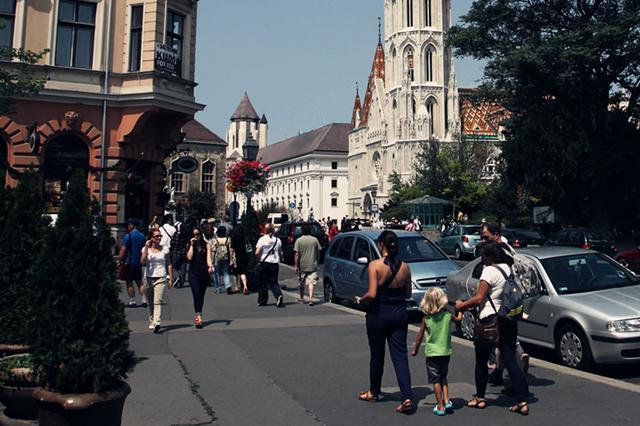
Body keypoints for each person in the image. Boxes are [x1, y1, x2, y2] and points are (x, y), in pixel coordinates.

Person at [454, 241, 530, 415]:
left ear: (488, 256)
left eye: (483, 256)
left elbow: (480, 298)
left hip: (489, 320)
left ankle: (480, 398)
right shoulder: (507, 269)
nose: (481, 260)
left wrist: (461, 305)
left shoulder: (488, 271)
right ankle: (522, 402)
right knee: (510, 361)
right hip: (507, 318)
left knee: (481, 361)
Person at [354, 230, 414, 414]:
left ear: (381, 245)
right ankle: (407, 396)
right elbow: (408, 293)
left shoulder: (375, 265)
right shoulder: (405, 267)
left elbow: (372, 294)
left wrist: (360, 299)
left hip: (378, 314)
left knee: (377, 356)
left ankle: (374, 392)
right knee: (400, 356)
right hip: (399, 314)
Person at [411, 288, 462, 416]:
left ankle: (440, 406)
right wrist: (460, 310)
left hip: (432, 353)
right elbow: (459, 319)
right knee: (444, 377)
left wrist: (415, 349)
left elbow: (419, 337)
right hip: (445, 351)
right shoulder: (447, 316)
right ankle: (447, 400)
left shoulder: (426, 319)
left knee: (436, 380)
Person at [140, 229, 173, 333]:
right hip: (148, 277)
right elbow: (142, 262)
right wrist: (146, 247)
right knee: (150, 302)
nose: (159, 238)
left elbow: (169, 264)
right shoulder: (146, 249)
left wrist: (171, 277)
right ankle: (151, 320)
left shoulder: (165, 249)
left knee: (157, 301)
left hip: (161, 277)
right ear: (151, 238)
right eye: (156, 236)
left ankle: (157, 322)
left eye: (160, 236)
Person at [186, 227, 212, 328]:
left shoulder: (206, 245)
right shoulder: (189, 245)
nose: (196, 236)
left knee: (201, 295)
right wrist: (192, 245)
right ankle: (198, 317)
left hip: (204, 273)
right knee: (196, 294)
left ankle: (199, 313)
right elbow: (189, 257)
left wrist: (210, 266)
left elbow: (208, 258)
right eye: (194, 235)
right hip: (193, 274)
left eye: (198, 234)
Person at [118, 219, 148, 308]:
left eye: (128, 225)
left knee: (129, 282)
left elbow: (123, 250)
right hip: (138, 262)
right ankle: (144, 300)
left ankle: (133, 301)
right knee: (140, 282)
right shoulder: (142, 236)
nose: (127, 227)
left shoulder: (128, 236)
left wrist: (119, 260)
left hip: (129, 262)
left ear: (132, 226)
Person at [255, 224, 284, 307]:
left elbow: (257, 252)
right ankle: (278, 295)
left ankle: (262, 301)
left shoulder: (262, 239)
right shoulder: (278, 240)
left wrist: (258, 258)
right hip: (274, 264)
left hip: (264, 263)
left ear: (265, 230)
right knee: (274, 282)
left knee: (263, 283)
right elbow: (279, 253)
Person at [294, 224, 322, 305]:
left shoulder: (299, 240)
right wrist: (318, 261)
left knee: (301, 282)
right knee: (311, 283)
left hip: (302, 265)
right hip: (313, 264)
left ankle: (302, 298)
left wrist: (296, 265)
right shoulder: (315, 240)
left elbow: (297, 254)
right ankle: (310, 299)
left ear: (302, 231)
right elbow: (318, 252)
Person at [211, 226, 235, 294]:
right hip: (226, 257)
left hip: (217, 258)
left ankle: (218, 288)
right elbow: (230, 250)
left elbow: (213, 250)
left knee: (217, 273)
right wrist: (231, 259)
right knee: (226, 272)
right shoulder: (228, 239)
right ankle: (228, 286)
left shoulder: (215, 240)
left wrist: (211, 259)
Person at [170, 219, 191, 288]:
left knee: (174, 267)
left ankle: (177, 277)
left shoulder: (177, 235)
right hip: (184, 253)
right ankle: (181, 282)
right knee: (183, 267)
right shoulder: (187, 235)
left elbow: (172, 243)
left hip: (176, 252)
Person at [230, 226, 250, 295]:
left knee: (234, 272)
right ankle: (245, 286)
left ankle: (236, 287)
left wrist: (231, 259)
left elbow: (232, 249)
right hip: (244, 256)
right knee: (243, 272)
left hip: (236, 256)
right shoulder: (245, 237)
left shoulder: (234, 237)